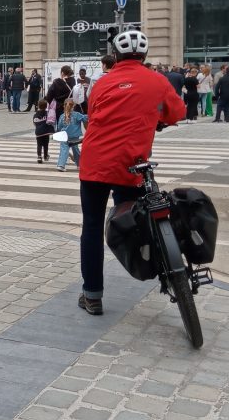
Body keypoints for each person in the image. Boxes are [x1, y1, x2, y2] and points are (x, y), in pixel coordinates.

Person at [78, 30, 185, 315]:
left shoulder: (102, 82)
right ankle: (162, 271)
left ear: (115, 56)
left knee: (91, 227)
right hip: (131, 165)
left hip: (95, 164)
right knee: (140, 219)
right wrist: (157, 120)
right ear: (145, 56)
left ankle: (92, 295)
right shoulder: (157, 81)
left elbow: (93, 112)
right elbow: (177, 112)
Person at [55, 98, 86, 172]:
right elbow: (85, 118)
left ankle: (61, 165)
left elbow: (59, 126)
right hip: (74, 136)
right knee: (75, 150)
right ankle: (79, 165)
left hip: (64, 136)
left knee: (64, 150)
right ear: (74, 106)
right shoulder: (77, 115)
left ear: (64, 106)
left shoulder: (62, 116)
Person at [32, 99, 52, 164]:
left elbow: (34, 123)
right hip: (46, 132)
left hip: (38, 132)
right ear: (46, 106)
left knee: (39, 145)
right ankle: (45, 156)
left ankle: (39, 156)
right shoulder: (47, 113)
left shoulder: (35, 115)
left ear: (38, 106)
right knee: (46, 145)